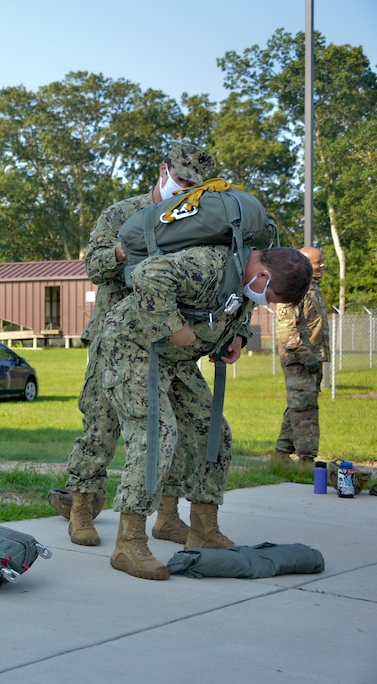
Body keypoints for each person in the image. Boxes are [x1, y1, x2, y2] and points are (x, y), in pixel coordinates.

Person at [98, 245, 312, 579]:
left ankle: (203, 529)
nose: (268, 305)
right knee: (157, 433)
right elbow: (148, 275)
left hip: (173, 358)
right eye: (271, 298)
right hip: (131, 347)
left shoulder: (246, 277)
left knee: (213, 432)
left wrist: (238, 337)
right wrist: (173, 326)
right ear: (263, 275)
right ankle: (129, 541)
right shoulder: (211, 263)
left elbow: (234, 309)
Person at [62, 142, 216, 548]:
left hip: (168, 342)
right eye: (181, 180)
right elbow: (94, 268)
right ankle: (80, 507)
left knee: (177, 429)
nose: (184, 190)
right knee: (101, 423)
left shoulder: (194, 221)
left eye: (194, 186)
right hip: (114, 336)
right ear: (163, 170)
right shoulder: (121, 214)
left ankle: (168, 516)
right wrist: (127, 244)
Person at [274, 246, 329, 464]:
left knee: (298, 405)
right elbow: (287, 334)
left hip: (313, 360)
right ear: (304, 264)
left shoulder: (313, 288)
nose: (322, 265)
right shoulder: (293, 290)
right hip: (299, 361)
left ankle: (281, 455)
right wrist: (307, 357)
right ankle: (306, 460)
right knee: (305, 409)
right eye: (318, 263)